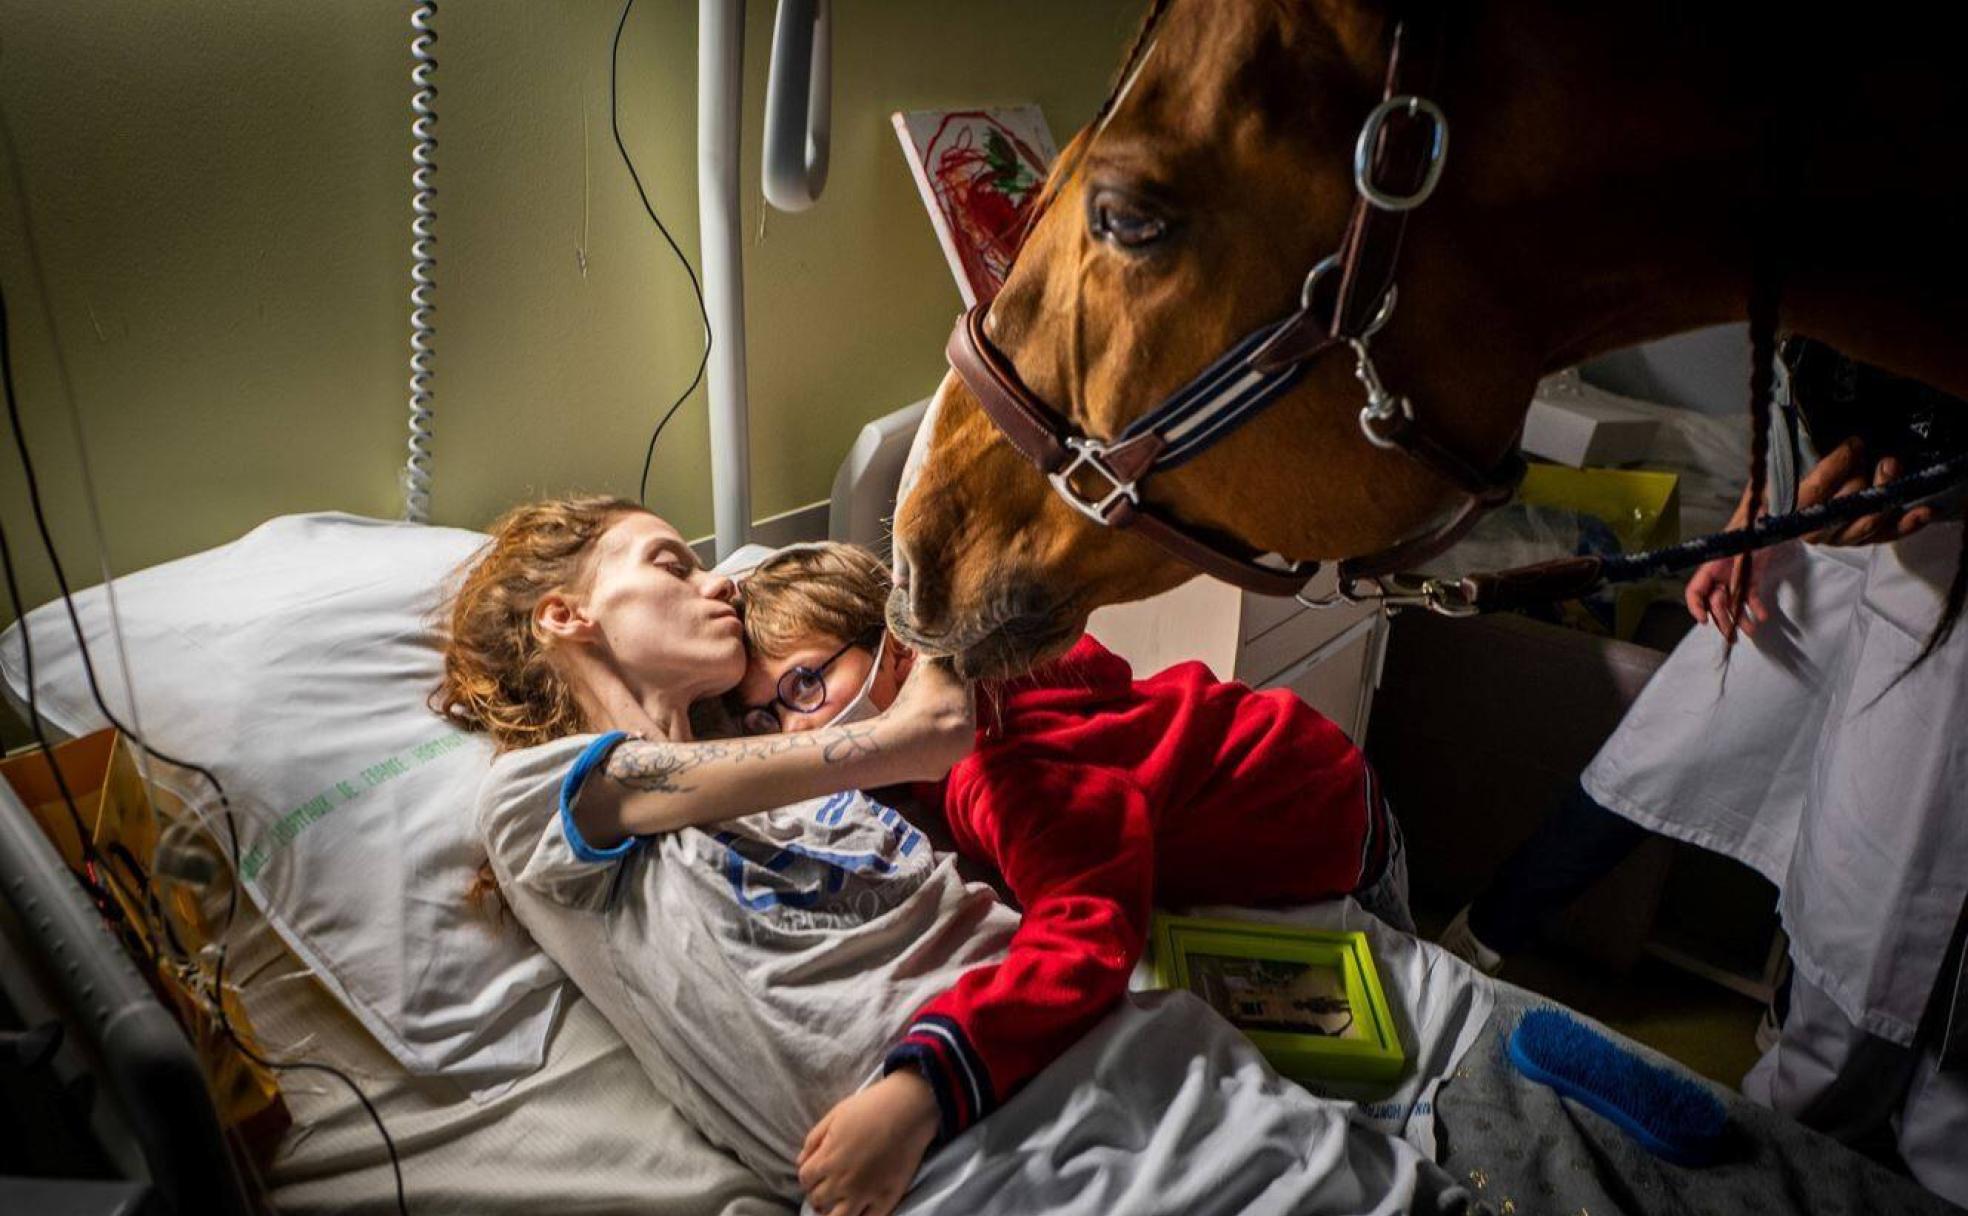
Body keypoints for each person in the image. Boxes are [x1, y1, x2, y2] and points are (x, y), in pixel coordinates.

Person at [729, 542, 1413, 1216]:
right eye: (767, 716)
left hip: (1325, 811)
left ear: (898, 650)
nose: (794, 729)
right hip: (1276, 758)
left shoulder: (1001, 765)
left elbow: (1087, 929)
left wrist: (924, 1089)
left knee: (1394, 1031)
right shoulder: (975, 697)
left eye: (804, 685)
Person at [1437, 342, 1968, 1206]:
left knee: (1880, 892)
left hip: (1940, 578)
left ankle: (1811, 1112)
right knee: (1665, 744)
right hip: (1826, 530)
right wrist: (1754, 515)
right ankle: (1481, 936)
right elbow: (1809, 384)